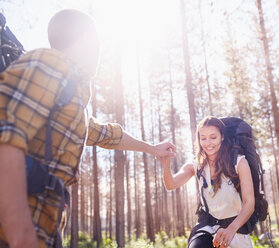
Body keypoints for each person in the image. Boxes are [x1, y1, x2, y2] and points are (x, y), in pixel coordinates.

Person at [0, 9, 175, 248]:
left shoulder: (69, 96)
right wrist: (21, 234)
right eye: (98, 43)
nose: (100, 52)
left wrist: (152, 149)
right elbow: (5, 134)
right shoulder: (50, 64)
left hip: (44, 232)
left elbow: (106, 135)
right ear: (86, 39)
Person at [158, 116, 255, 248]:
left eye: (213, 137)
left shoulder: (239, 162)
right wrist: (165, 163)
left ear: (222, 136)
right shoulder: (196, 164)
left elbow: (249, 203)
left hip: (235, 228)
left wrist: (231, 229)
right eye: (203, 138)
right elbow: (171, 185)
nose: (208, 143)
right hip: (208, 227)